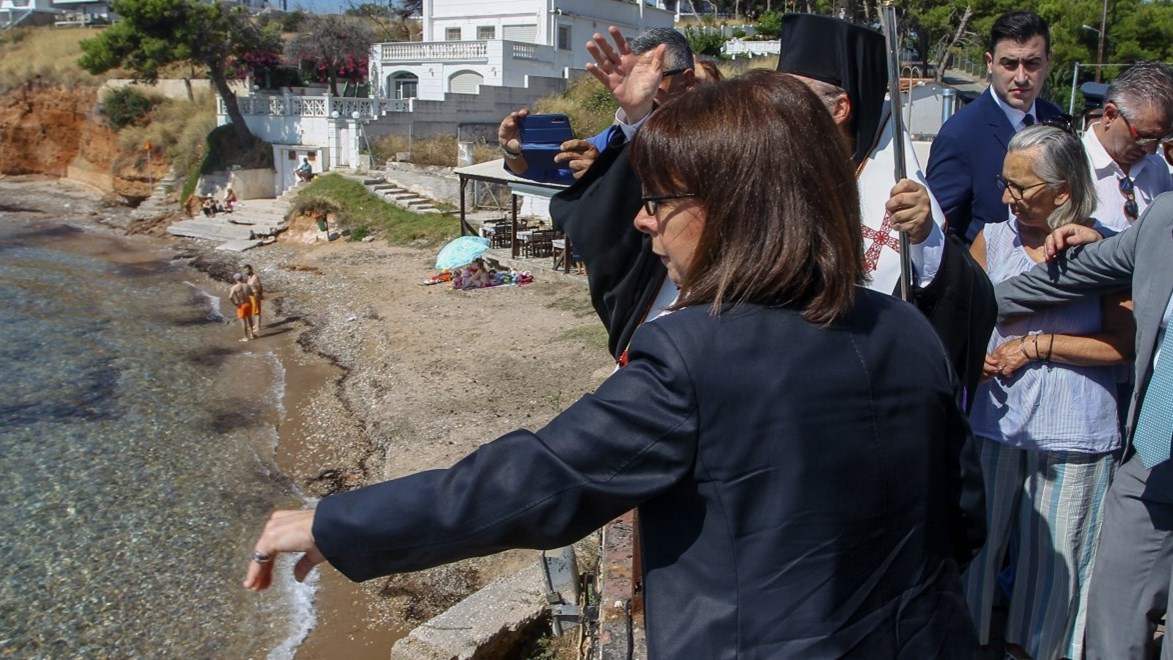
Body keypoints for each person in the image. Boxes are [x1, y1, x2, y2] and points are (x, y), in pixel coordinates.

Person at [245, 75, 981, 657]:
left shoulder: (693, 353)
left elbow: (530, 484)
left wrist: (335, 520)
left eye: (658, 199)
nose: (641, 219)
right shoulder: (905, 330)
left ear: (736, 205)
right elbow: (961, 519)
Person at [553, 16, 996, 412]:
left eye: (790, 96)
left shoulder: (893, 188)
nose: (773, 107)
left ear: (839, 108)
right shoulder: (755, 157)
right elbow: (658, 201)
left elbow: (959, 311)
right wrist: (637, 114)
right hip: (715, 366)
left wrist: (924, 241)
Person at [964, 124, 1133, 660]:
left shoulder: (1104, 250)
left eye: (1021, 187)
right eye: (1004, 183)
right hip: (995, 426)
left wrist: (1038, 346)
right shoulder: (992, 240)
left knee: (1053, 579)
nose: (1007, 197)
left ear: (1062, 191)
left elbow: (1122, 347)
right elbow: (964, 320)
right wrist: (977, 356)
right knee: (973, 559)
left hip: (1073, 435)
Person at [997, 191, 1173, 658]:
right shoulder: (1164, 217)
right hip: (1154, 450)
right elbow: (1074, 275)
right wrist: (970, 303)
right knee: (1114, 604)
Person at [927, 11, 1065, 243]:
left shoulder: (1056, 119)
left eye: (1032, 63)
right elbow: (937, 228)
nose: (1021, 77)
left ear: (1048, 61)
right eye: (1009, 64)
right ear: (990, 63)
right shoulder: (961, 134)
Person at [497, 27, 696, 183]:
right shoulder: (614, 138)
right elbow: (544, 169)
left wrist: (603, 178)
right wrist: (512, 150)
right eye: (632, 78)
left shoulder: (712, 136)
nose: (643, 88)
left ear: (687, 81)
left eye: (653, 77)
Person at [1081, 60, 1173, 232]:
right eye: (1143, 137)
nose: (1151, 150)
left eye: (1160, 139)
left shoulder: (1157, 167)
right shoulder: (1069, 164)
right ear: (1110, 115)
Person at [228, 273, 254, 342]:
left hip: (241, 306)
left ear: (235, 279)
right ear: (242, 278)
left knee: (243, 321)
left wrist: (235, 304)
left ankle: (245, 337)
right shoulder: (247, 286)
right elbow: (252, 294)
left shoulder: (234, 287)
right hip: (248, 304)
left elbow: (230, 297)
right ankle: (252, 334)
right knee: (250, 318)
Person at [243, 264, 263, 335]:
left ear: (251, 270)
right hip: (251, 296)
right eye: (244, 270)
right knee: (253, 311)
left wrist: (259, 296)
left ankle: (258, 327)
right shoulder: (249, 277)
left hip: (255, 296)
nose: (245, 272)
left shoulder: (255, 277)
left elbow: (260, 287)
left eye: (246, 270)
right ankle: (255, 325)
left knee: (257, 312)